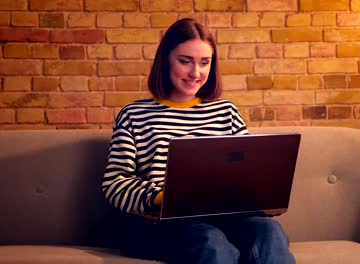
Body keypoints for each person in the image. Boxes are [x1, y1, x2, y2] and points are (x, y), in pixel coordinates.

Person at [102, 18, 295, 264]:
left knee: (269, 231)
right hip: (163, 224)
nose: (196, 73)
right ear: (165, 61)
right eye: (185, 61)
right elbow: (115, 183)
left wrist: (260, 193)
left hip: (227, 217)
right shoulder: (134, 115)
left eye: (204, 63)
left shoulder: (226, 112)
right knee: (210, 240)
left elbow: (250, 173)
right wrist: (162, 197)